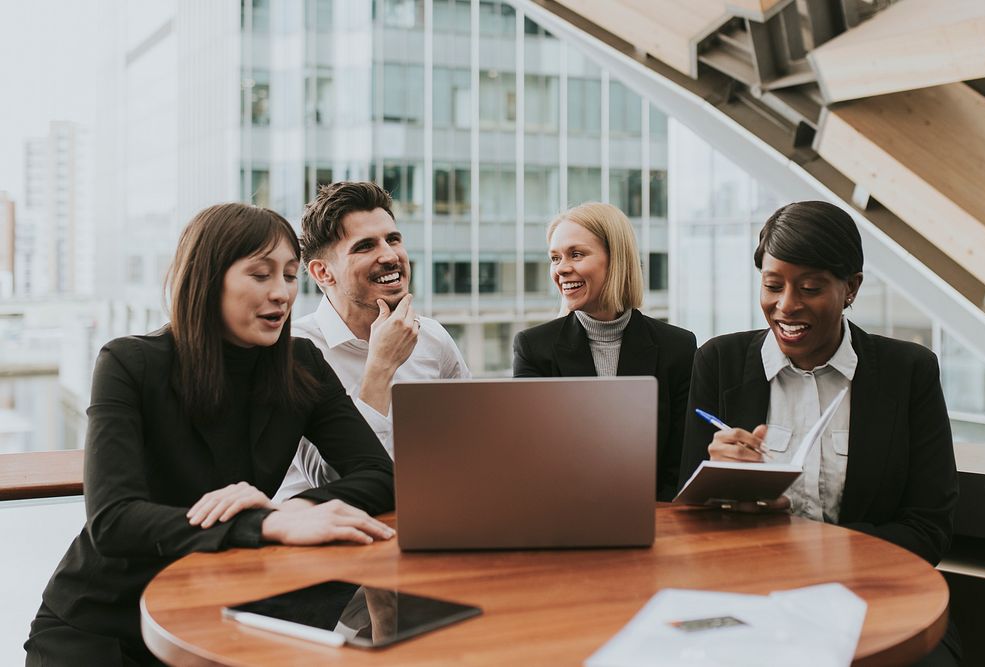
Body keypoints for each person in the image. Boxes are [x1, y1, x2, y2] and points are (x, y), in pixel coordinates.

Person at [25, 203, 396, 666]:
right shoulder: (130, 363)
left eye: (288, 276)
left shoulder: (301, 365)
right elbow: (114, 521)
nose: (281, 293)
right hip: (99, 623)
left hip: (211, 615)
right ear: (207, 279)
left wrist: (291, 510)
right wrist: (261, 523)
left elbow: (380, 474)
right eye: (260, 275)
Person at [677, 200, 960, 664]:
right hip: (750, 597)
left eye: (810, 288)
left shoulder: (908, 371)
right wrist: (716, 484)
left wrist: (813, 555)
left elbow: (929, 529)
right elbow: (683, 521)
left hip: (874, 595)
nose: (786, 306)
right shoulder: (718, 362)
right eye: (772, 286)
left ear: (851, 288)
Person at [274, 182, 469, 502]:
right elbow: (331, 480)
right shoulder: (294, 352)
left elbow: (472, 439)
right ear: (323, 272)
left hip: (428, 513)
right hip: (329, 537)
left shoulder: (432, 337)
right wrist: (380, 366)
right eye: (365, 246)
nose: (391, 256)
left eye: (393, 239)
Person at [512, 202, 697, 499]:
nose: (561, 269)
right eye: (555, 258)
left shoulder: (678, 346)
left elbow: (681, 462)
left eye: (576, 254)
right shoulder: (533, 347)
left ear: (617, 259)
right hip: (565, 518)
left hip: (657, 519)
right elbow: (530, 459)